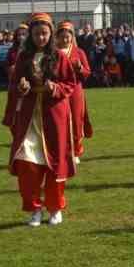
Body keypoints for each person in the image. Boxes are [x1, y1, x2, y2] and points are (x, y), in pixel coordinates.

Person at [8, 13, 78, 225]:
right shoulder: (23, 57)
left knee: (55, 163)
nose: (41, 38)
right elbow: (14, 84)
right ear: (31, 34)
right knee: (27, 162)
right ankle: (34, 209)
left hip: (53, 115)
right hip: (30, 116)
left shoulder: (59, 56)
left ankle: (55, 207)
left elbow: (70, 83)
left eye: (45, 33)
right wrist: (22, 87)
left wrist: (55, 87)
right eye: (37, 34)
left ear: (51, 34)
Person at [56, 21, 94, 164]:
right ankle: (62, 151)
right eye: (62, 37)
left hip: (75, 92)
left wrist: (79, 68)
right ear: (57, 37)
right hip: (59, 91)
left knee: (77, 122)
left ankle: (76, 151)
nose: (65, 40)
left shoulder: (79, 52)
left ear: (72, 37)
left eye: (68, 37)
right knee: (61, 121)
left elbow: (87, 73)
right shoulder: (54, 53)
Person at [0, 23, 28, 127]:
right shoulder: (12, 49)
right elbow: (7, 64)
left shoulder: (31, 50)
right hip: (14, 83)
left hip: (28, 83)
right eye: (19, 34)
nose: (21, 37)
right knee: (15, 108)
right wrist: (10, 68)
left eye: (24, 34)